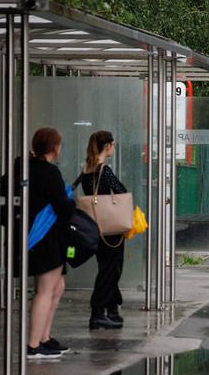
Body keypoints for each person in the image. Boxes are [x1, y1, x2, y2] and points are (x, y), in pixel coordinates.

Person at [23, 127, 74, 358]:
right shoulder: (47, 172)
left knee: (56, 287)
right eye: (59, 144)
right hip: (45, 238)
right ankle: (34, 344)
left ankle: (44, 337)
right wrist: (72, 203)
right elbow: (62, 206)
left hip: (41, 237)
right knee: (45, 290)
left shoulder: (28, 168)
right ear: (54, 147)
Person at [81, 131, 127, 330]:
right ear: (107, 146)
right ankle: (98, 311)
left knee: (107, 269)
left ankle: (112, 309)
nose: (114, 148)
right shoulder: (103, 170)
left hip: (95, 225)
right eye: (113, 145)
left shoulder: (86, 169)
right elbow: (121, 191)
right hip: (111, 229)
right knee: (111, 270)